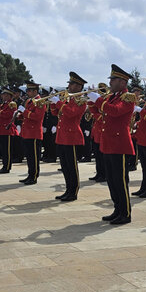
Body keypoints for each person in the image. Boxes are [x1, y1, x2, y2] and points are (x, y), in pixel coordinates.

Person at [89, 64, 137, 225]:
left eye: (114, 79)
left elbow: (115, 111)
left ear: (123, 82)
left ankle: (125, 213)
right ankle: (117, 209)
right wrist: (92, 102)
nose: (110, 82)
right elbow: (101, 114)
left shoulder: (128, 97)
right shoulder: (111, 97)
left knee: (120, 180)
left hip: (119, 143)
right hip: (108, 142)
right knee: (111, 180)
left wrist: (99, 100)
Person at [51, 72, 88, 201]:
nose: (69, 86)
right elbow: (57, 113)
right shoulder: (69, 99)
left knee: (72, 166)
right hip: (62, 136)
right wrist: (53, 103)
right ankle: (68, 190)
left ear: (79, 86)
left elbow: (71, 113)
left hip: (71, 136)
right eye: (69, 83)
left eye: (72, 84)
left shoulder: (81, 101)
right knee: (65, 166)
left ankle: (73, 191)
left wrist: (59, 103)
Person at [19, 82, 46, 184]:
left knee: (34, 157)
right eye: (27, 90)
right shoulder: (29, 101)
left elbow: (37, 117)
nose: (28, 92)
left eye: (29, 91)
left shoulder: (40, 101)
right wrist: (20, 115)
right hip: (27, 132)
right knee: (29, 156)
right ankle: (30, 175)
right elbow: (27, 116)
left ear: (35, 91)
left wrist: (24, 112)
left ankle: (34, 176)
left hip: (34, 133)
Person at [0, 89, 18, 173]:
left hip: (7, 129)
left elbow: (7, 115)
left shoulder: (12, 104)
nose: (3, 96)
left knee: (7, 150)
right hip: (1, 129)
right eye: (3, 95)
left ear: (9, 96)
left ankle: (7, 167)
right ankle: (4, 165)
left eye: (5, 95)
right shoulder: (3, 104)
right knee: (3, 150)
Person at [87, 84, 108, 182]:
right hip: (96, 131)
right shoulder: (101, 101)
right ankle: (99, 173)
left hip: (102, 131)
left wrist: (95, 114)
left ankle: (104, 174)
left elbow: (102, 115)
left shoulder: (106, 101)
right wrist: (92, 98)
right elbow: (93, 109)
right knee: (97, 155)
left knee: (102, 156)